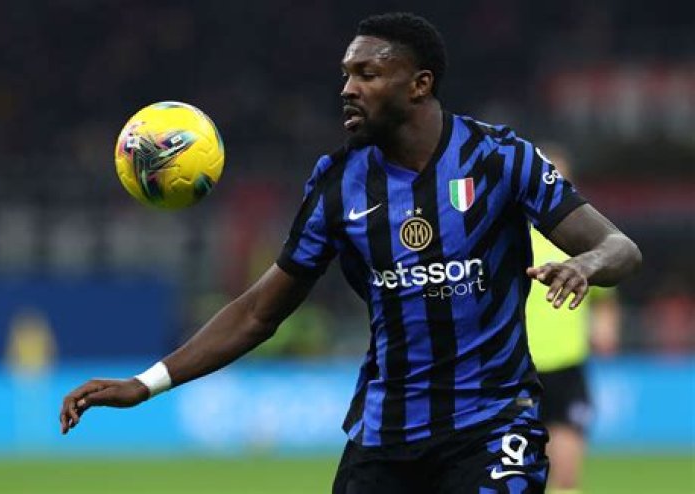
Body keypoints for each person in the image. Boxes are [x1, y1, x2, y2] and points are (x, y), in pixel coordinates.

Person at [60, 13, 641, 494]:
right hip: (385, 438)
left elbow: (619, 247)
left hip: (491, 426)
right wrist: (147, 383)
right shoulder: (338, 185)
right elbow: (259, 311)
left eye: (368, 73)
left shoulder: (499, 159)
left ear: (419, 84)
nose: (348, 88)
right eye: (346, 74)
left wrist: (585, 264)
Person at [525, 145, 622, 494]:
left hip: (566, 367)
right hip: (516, 370)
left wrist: (606, 326)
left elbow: (604, 298)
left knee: (566, 476)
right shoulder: (511, 236)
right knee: (517, 476)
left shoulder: (582, 240)